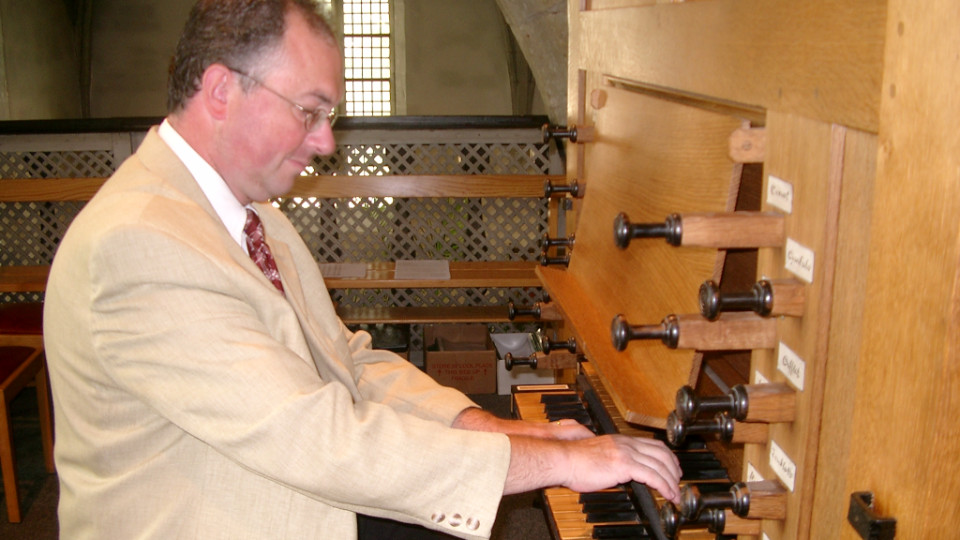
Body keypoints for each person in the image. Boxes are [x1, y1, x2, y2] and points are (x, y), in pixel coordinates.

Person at [42, 1, 681, 539]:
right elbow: (318, 440)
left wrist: (496, 427)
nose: (326, 142)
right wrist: (554, 463)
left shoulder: (251, 213)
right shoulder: (141, 242)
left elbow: (347, 361)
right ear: (220, 91)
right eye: (310, 111)